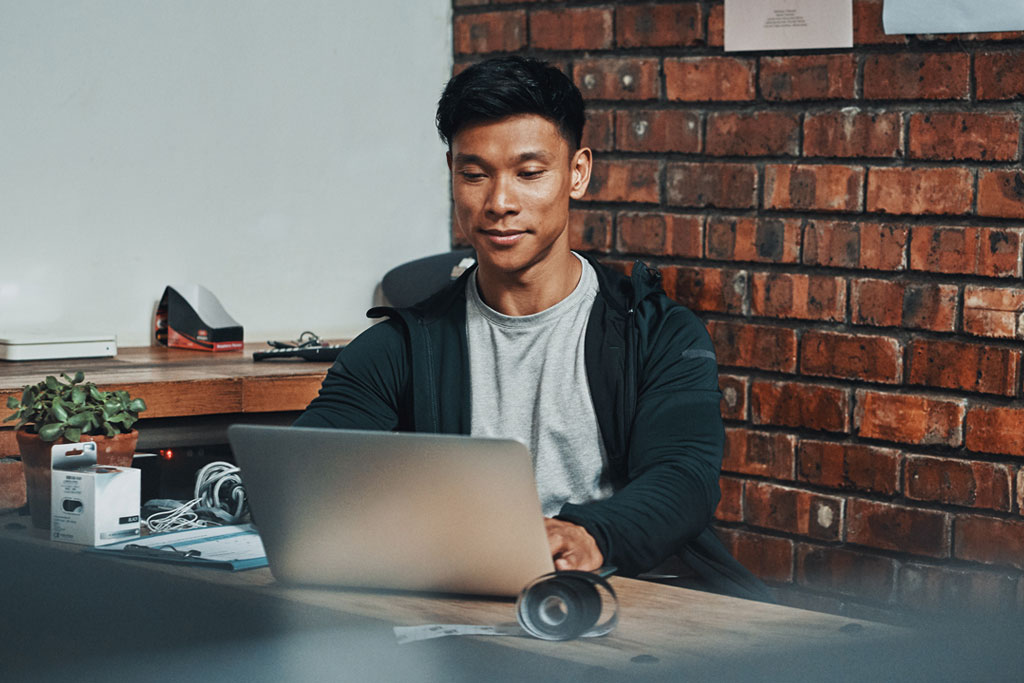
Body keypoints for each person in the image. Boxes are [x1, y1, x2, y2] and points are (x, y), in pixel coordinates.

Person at [295, 56, 769, 600]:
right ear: (452, 173)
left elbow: (683, 478)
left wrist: (590, 535)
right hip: (461, 604)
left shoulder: (657, 334)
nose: (499, 203)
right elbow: (307, 470)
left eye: (529, 173)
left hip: (625, 595)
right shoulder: (403, 345)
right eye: (474, 175)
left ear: (577, 173)